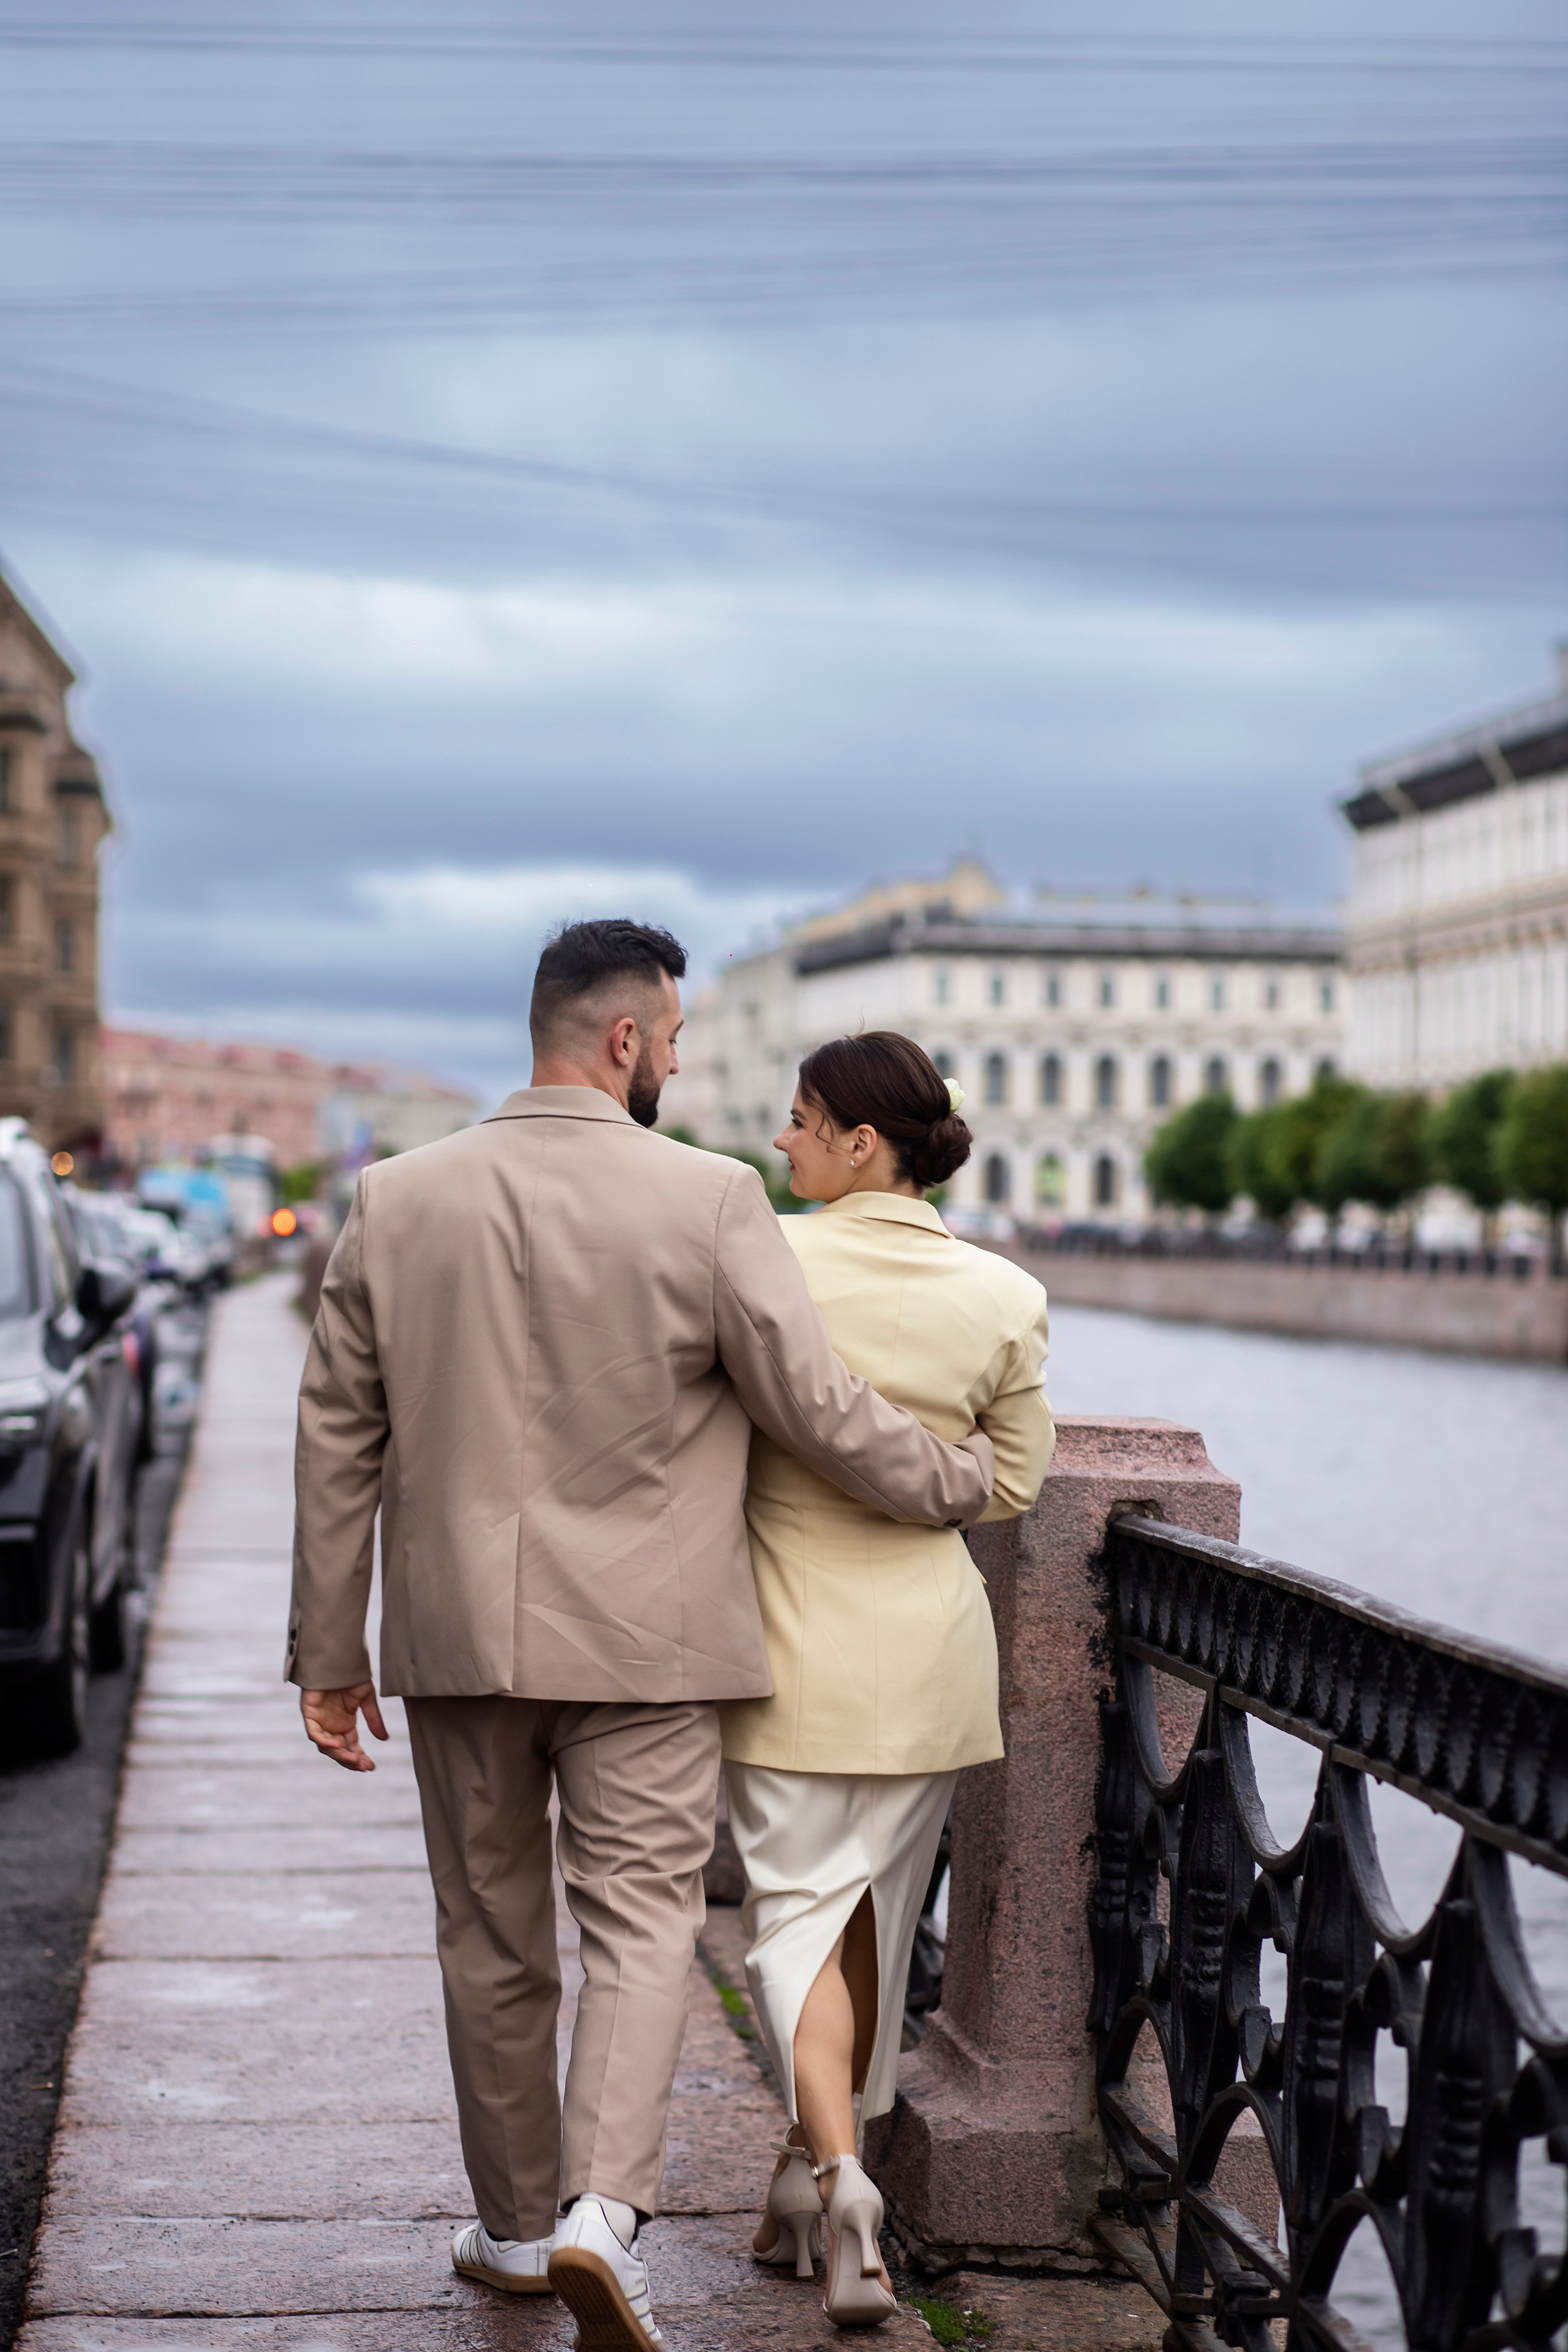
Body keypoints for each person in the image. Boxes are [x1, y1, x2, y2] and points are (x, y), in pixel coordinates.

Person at [286, 923, 998, 2352]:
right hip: (654, 1643)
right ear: (620, 1041)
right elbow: (811, 1405)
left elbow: (336, 1438)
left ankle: (508, 2228)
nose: (677, 1059)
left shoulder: (396, 1197)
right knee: (641, 1931)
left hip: (452, 1639)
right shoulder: (709, 1199)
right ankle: (602, 2219)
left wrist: (328, 1648)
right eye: (670, 1039)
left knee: (488, 1937)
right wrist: (956, 1479)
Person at [719, 1031, 1054, 2328]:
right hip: (929, 1656)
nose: (781, 1140)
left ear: (863, 1143)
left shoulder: (767, 1261)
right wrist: (938, 1457)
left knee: (796, 1928)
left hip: (786, 1643)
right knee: (871, 1919)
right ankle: (804, 2184)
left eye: (800, 1120)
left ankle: (844, 2185)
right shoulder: (1003, 1294)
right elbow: (1015, 1484)